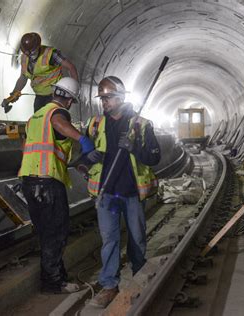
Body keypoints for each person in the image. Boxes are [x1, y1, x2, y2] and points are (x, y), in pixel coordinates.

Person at [84, 76, 161, 307]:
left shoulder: (141, 124)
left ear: (120, 97)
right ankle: (109, 286)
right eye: (102, 98)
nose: (103, 102)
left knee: (137, 238)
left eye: (107, 98)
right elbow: (81, 153)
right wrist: (86, 158)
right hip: (106, 192)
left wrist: (134, 147)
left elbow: (155, 157)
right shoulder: (95, 123)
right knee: (110, 240)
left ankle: (140, 277)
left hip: (131, 193)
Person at [19, 77, 95, 294]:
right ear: (69, 100)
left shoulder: (35, 117)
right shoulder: (57, 113)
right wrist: (82, 139)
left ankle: (56, 276)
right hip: (48, 182)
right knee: (57, 232)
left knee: (46, 233)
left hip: (29, 180)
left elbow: (25, 146)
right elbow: (59, 124)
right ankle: (53, 283)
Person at [2, 32, 79, 114]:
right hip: (39, 96)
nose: (29, 54)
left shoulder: (50, 54)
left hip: (55, 95)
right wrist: (14, 94)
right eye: (26, 52)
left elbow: (71, 67)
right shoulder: (24, 58)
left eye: (31, 52)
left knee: (54, 118)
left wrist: (75, 90)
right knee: (38, 119)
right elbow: (23, 77)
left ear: (38, 46)